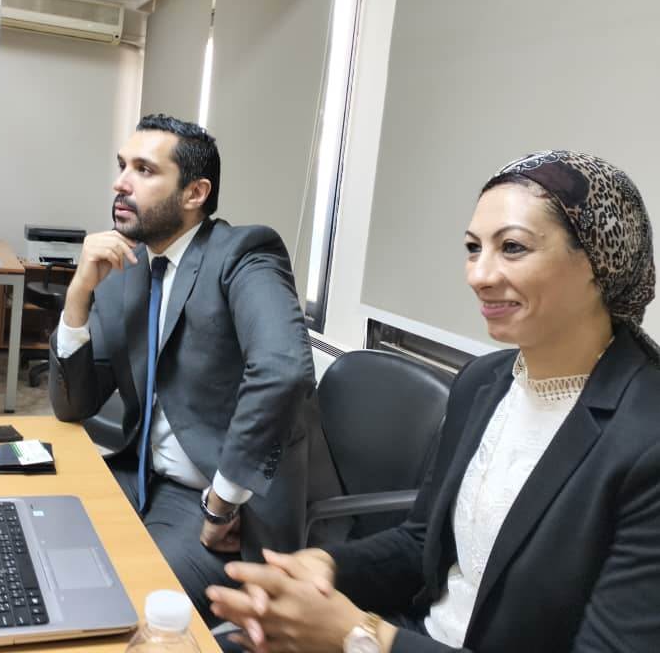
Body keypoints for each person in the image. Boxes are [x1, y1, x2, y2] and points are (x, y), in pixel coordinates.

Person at [207, 150, 660, 652]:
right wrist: (327, 565)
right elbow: (422, 543)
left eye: (512, 247)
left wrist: (362, 637)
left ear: (598, 262)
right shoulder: (485, 382)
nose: (479, 275)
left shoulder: (646, 440)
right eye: (473, 248)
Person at [48, 114, 317, 623]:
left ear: (195, 192)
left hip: (214, 510)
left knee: (122, 605)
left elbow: (284, 370)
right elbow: (72, 404)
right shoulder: (126, 270)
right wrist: (79, 292)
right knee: (39, 532)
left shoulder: (243, 254)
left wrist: (223, 500)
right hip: (139, 477)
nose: (121, 182)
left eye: (144, 170)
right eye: (122, 165)